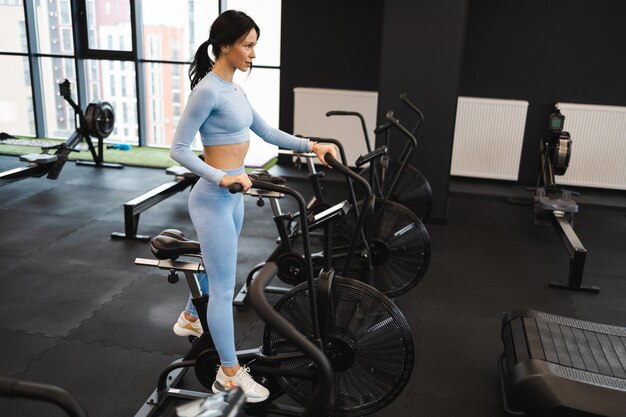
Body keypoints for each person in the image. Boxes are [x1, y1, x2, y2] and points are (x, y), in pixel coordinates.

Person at [169, 10, 336, 403]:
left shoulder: (235, 90)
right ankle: (228, 375)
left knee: (217, 270)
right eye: (247, 45)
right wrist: (220, 176)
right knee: (226, 287)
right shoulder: (207, 90)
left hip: (233, 199)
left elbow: (266, 131)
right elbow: (177, 149)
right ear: (224, 45)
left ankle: (190, 316)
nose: (253, 53)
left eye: (255, 45)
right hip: (213, 199)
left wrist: (313, 145)